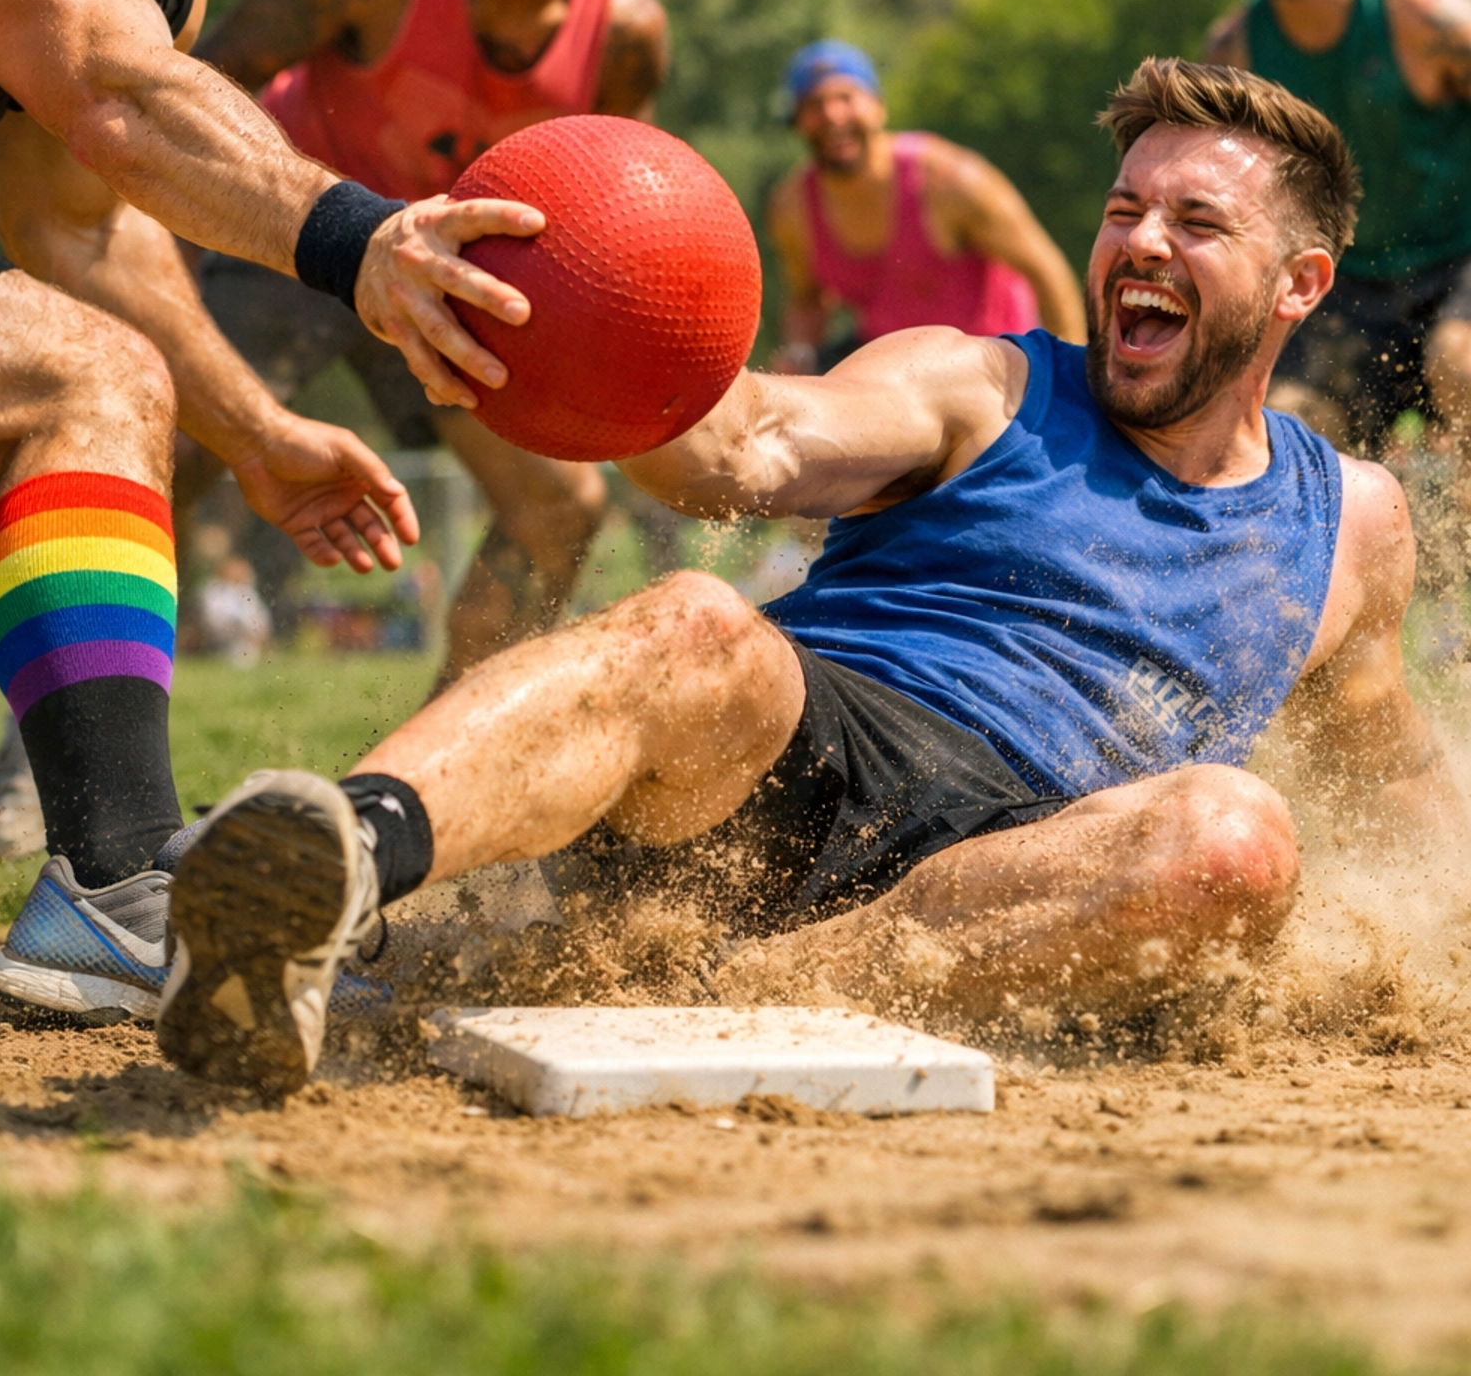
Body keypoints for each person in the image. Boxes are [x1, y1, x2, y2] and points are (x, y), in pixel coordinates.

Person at [155, 58, 1461, 1096]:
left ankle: (713, 992)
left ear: (1301, 283)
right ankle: (318, 874)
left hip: (1033, 884)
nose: (1142, 243)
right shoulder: (985, 383)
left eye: (1196, 220)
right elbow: (747, 443)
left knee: (1233, 839)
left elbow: (1388, 760)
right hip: (785, 766)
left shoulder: (1352, 521)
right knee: (697, 620)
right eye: (1125, 210)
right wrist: (561, 345)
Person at [0, 0, 545, 1020]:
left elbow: (85, 232)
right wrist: (361, 236)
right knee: (83, 375)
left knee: (86, 378)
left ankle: (113, 889)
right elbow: (113, 92)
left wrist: (257, 436)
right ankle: (117, 886)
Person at [188, 0, 668, 678]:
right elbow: (205, 87)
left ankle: (447, 750)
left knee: (561, 507)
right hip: (292, 237)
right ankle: (44, 740)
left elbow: (615, 202)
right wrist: (169, 264)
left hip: (450, 284)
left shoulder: (627, 32)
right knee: (157, 450)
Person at [1206, 0, 1471, 455]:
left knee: (1460, 364)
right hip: (1343, 285)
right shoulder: (1236, 56)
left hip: (1461, 258)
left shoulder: (1425, 16)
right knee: (1286, 424)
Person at [767, 40, 1085, 368]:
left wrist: (1071, 379)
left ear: (878, 107)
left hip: (994, 367)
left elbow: (1048, 274)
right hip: (891, 376)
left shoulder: (950, 182)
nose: (831, 115)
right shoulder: (793, 209)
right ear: (796, 121)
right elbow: (806, 300)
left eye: (846, 98)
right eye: (814, 104)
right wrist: (799, 354)